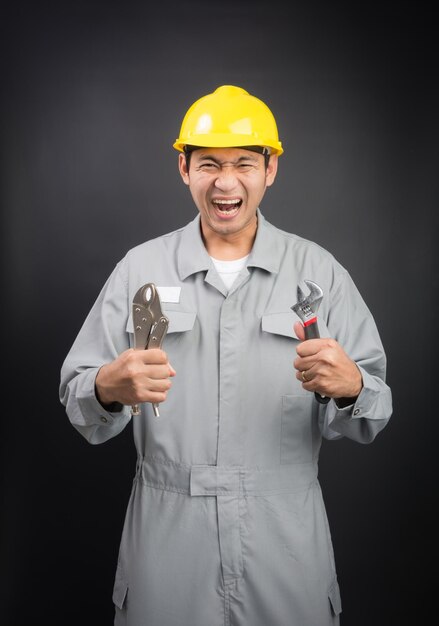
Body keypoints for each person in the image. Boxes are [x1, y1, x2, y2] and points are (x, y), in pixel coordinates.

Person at [59, 85, 393, 626]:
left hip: (286, 543)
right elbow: (77, 399)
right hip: (168, 541)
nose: (226, 181)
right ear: (184, 168)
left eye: (244, 162)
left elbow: (376, 409)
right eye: (209, 163)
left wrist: (354, 387)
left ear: (271, 168)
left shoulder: (319, 273)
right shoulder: (139, 269)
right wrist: (105, 389)